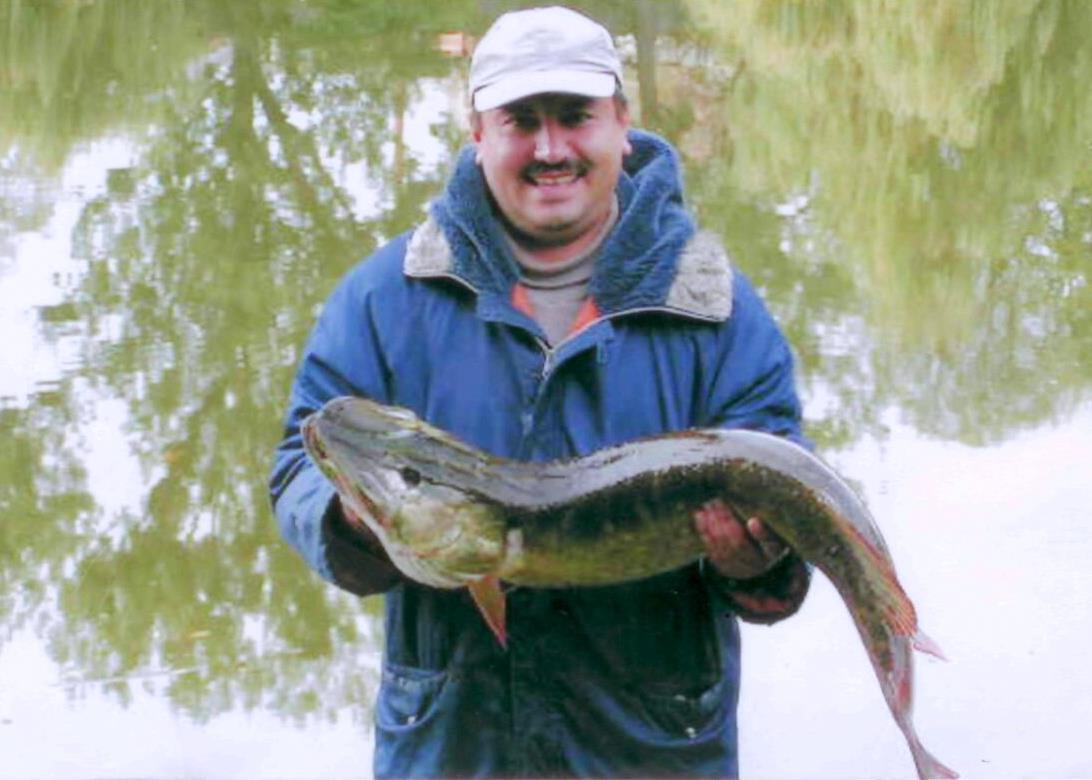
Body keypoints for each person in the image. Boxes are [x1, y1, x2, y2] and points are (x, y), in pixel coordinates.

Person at [270, 6, 811, 778]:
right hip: (454, 749)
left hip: (649, 749)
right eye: (521, 120)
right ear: (477, 132)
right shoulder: (383, 298)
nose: (550, 148)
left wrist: (757, 562)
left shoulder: (716, 309)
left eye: (574, 116)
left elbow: (785, 500)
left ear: (622, 123)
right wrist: (350, 516)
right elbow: (300, 462)